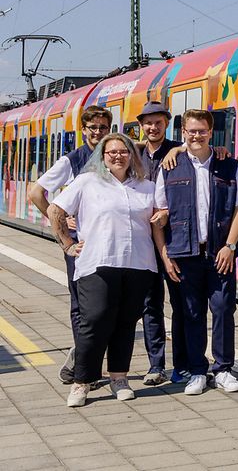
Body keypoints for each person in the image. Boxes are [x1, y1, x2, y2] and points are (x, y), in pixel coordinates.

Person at [47, 132, 164, 407]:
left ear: (131, 155)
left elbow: (160, 215)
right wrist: (66, 244)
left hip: (138, 264)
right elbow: (55, 211)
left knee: (125, 322)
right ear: (103, 156)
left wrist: (164, 216)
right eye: (111, 152)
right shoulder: (88, 182)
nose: (118, 156)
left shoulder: (146, 186)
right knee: (95, 321)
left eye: (123, 151)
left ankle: (119, 378)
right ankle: (81, 381)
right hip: (96, 263)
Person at [153, 109, 238, 396]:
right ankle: (197, 370)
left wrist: (230, 247)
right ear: (183, 133)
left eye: (202, 131)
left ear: (211, 132)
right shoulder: (169, 167)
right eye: (191, 131)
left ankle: (223, 369)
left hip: (219, 253)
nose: (196, 136)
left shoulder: (229, 166)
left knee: (222, 310)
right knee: (192, 314)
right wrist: (166, 256)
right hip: (185, 254)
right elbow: (158, 215)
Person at [29, 104, 112, 384]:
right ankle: (84, 368)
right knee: (82, 306)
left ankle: (81, 362)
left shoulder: (116, 155)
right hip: (81, 247)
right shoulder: (71, 160)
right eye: (93, 128)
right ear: (83, 129)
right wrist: (60, 221)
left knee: (104, 307)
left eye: (103, 127)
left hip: (110, 244)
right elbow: (36, 192)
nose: (97, 133)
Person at [135, 102, 187, 386]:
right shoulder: (134, 154)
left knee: (180, 306)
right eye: (148, 123)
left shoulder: (180, 151)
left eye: (158, 122)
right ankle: (156, 365)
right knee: (150, 306)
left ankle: (182, 364)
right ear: (141, 126)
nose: (153, 127)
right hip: (143, 242)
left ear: (167, 124)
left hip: (175, 242)